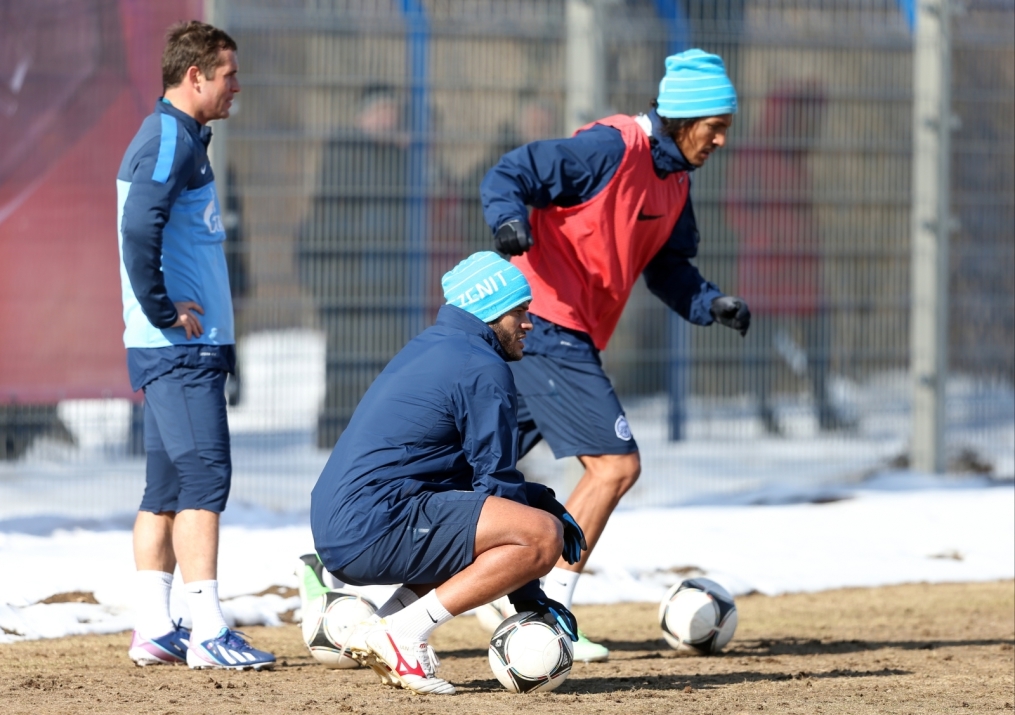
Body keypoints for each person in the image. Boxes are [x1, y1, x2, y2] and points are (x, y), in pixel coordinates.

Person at [478, 48, 751, 662]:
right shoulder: (610, 149)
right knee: (615, 466)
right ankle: (546, 607)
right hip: (545, 324)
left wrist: (711, 304)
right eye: (717, 128)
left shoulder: (676, 179)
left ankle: (359, 596)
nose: (721, 141)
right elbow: (510, 173)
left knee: (468, 470)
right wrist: (507, 224)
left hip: (562, 333)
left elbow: (667, 267)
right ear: (686, 119)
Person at [310, 251, 586, 695]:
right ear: (492, 311)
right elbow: (494, 483)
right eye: (520, 312)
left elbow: (467, 482)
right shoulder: (482, 366)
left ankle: (383, 627)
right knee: (541, 537)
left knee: (509, 524)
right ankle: (402, 634)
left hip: (348, 521)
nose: (528, 323)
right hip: (374, 522)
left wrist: (536, 497)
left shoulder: (436, 346)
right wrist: (529, 596)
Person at [117, 20, 274, 670]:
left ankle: (155, 627)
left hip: (179, 350)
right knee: (205, 479)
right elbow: (136, 226)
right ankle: (207, 627)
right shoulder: (168, 137)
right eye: (228, 74)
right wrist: (161, 310)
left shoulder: (181, 137)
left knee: (167, 487)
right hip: (180, 350)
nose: (236, 86)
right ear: (195, 77)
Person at [727, 81, 851, 434]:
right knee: (761, 341)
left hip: (801, 267)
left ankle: (823, 409)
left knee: (819, 334)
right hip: (767, 266)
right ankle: (764, 413)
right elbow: (735, 207)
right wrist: (766, 236)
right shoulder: (753, 153)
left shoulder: (798, 157)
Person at [296, 84, 412, 449]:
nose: (387, 118)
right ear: (362, 117)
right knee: (346, 368)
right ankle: (335, 440)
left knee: (384, 368)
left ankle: (376, 441)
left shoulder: (401, 158)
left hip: (385, 286)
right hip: (349, 284)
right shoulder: (347, 153)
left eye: (392, 111)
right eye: (380, 111)